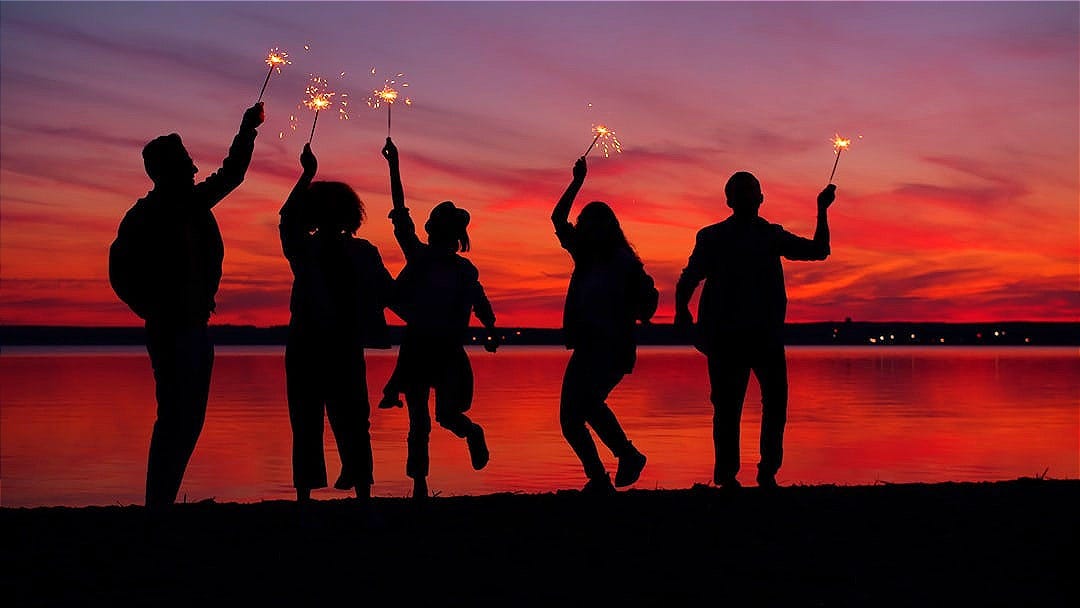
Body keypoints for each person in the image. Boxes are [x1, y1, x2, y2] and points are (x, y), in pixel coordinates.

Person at [108, 102, 265, 507]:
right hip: (174, 329)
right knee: (179, 417)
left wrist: (248, 129)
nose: (195, 171)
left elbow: (231, 174)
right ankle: (158, 504)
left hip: (190, 326)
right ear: (168, 171)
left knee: (183, 418)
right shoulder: (153, 215)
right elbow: (120, 273)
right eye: (187, 165)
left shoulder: (178, 207)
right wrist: (157, 309)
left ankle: (160, 501)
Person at [675, 172, 836, 489]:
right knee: (731, 407)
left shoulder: (767, 235)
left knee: (761, 405)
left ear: (759, 199)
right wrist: (682, 310)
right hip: (730, 338)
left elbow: (819, 250)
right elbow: (690, 277)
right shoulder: (715, 237)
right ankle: (733, 475)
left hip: (762, 336)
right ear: (731, 201)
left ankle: (759, 473)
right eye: (743, 192)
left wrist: (822, 209)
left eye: (751, 192)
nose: (749, 198)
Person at [381, 137, 499, 501]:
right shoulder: (427, 259)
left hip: (439, 349)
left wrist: (491, 329)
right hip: (423, 347)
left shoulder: (454, 267)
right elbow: (401, 215)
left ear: (440, 233)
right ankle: (419, 485)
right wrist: (393, 165)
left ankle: (467, 437)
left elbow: (481, 303)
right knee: (422, 420)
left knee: (437, 417)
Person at [278, 143, 394, 502]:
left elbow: (287, 218)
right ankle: (354, 496)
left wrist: (306, 174)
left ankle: (316, 498)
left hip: (324, 344)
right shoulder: (316, 249)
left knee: (321, 421)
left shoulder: (316, 249)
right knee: (337, 421)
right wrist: (307, 175)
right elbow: (390, 293)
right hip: (321, 344)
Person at [550, 156, 658, 494]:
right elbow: (557, 218)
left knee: (579, 411)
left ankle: (615, 466)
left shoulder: (624, 263)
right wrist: (577, 180)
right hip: (590, 347)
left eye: (589, 224)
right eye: (584, 223)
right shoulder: (586, 256)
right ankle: (613, 467)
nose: (583, 228)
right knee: (578, 414)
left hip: (610, 349)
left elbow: (647, 303)